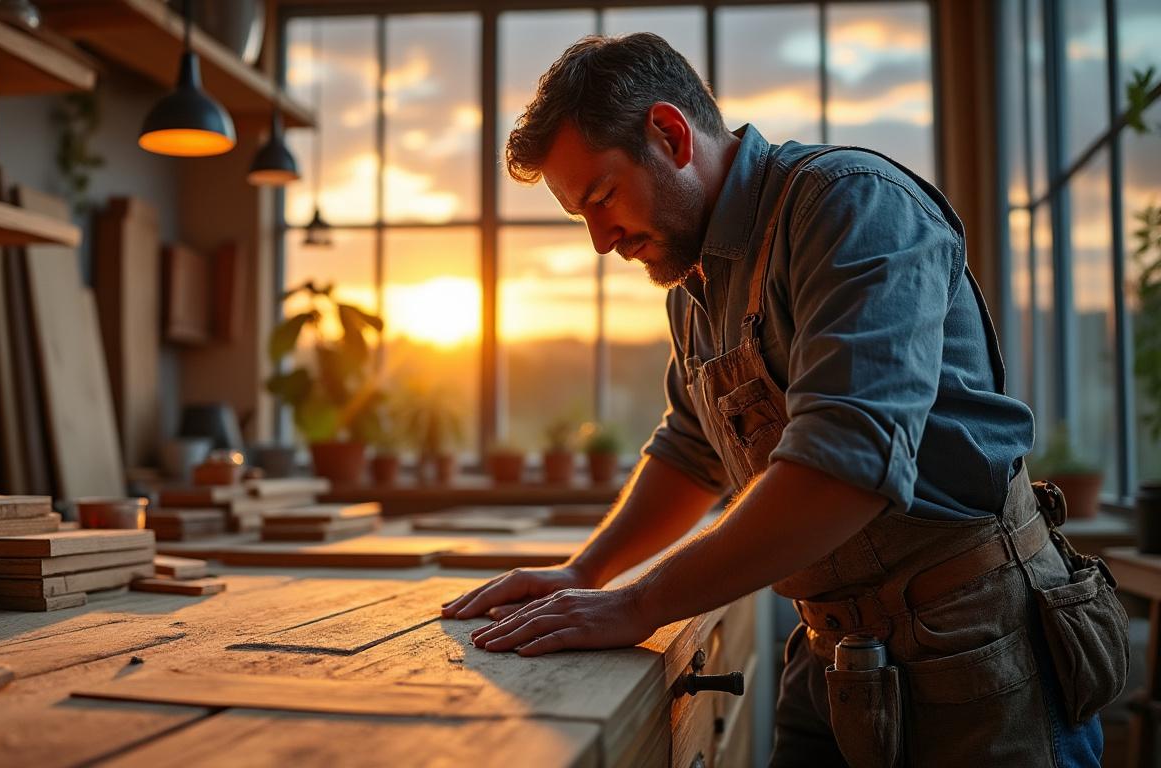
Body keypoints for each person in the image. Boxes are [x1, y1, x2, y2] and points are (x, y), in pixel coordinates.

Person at [440, 33, 1126, 766]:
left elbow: (846, 468)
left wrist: (638, 604)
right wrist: (586, 572)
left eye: (602, 197)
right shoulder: (693, 279)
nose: (601, 241)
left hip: (981, 660)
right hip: (835, 657)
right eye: (582, 216)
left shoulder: (852, 206)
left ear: (671, 134)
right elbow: (691, 449)